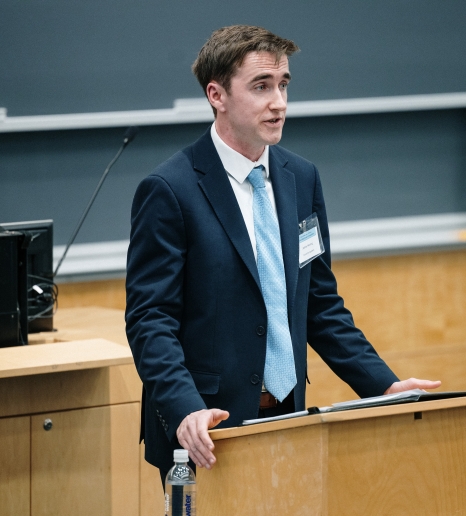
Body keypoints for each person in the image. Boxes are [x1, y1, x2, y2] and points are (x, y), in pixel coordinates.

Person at [125, 25, 441, 481]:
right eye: (261, 86)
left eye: (283, 84)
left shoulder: (301, 178)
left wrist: (384, 386)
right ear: (217, 94)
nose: (279, 102)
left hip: (288, 417)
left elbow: (319, 304)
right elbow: (150, 318)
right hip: (206, 429)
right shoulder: (170, 190)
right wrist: (183, 409)